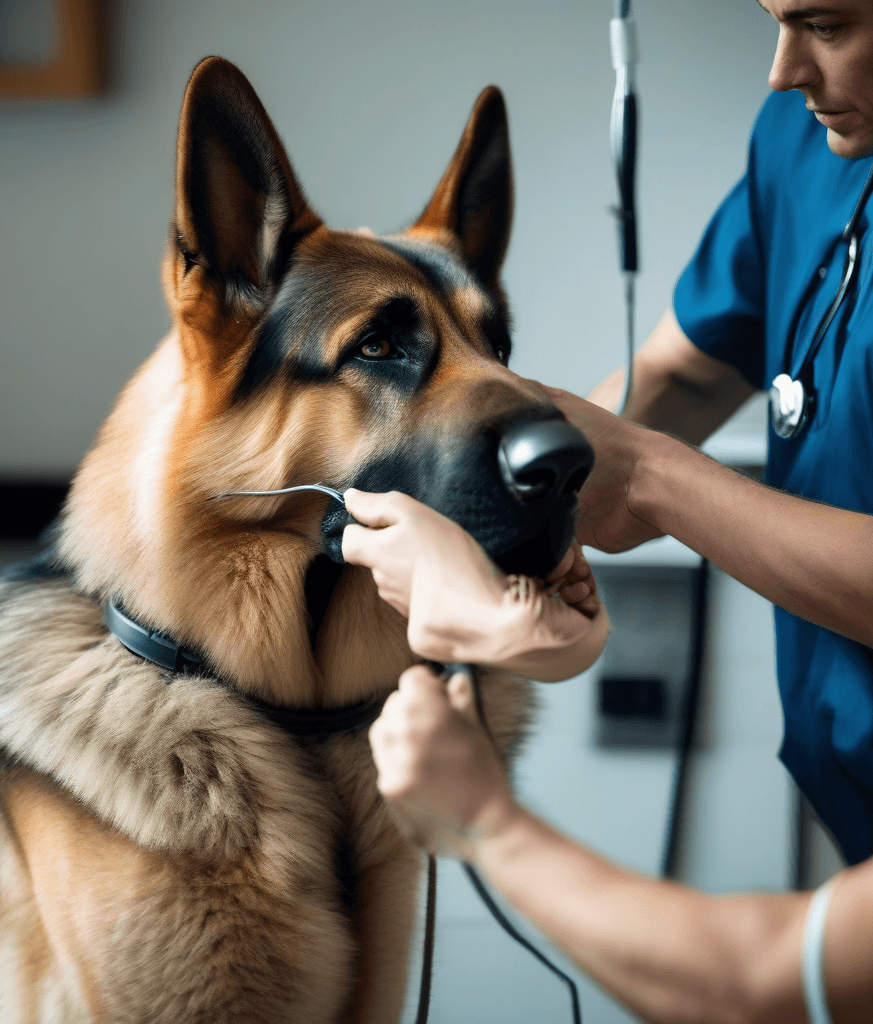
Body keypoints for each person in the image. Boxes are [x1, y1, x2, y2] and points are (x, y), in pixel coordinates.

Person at [341, 2, 873, 1021]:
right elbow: (681, 372)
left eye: (828, 23)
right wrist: (519, 511)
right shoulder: (803, 141)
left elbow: (752, 981)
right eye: (772, 15)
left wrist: (645, 478)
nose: (783, 70)